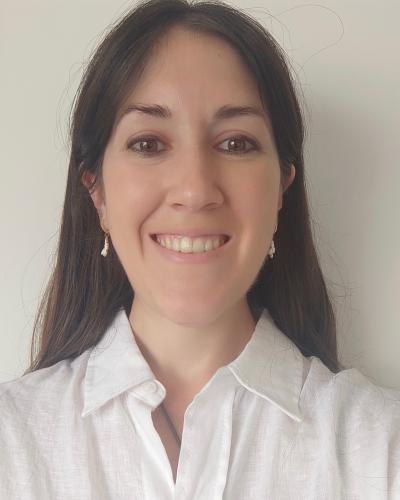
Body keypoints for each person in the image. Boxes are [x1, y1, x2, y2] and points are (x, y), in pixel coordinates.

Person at [1, 0, 399, 498]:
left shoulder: (382, 447)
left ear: (282, 188)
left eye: (235, 144)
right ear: (96, 192)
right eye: (148, 143)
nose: (194, 189)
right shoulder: (12, 440)